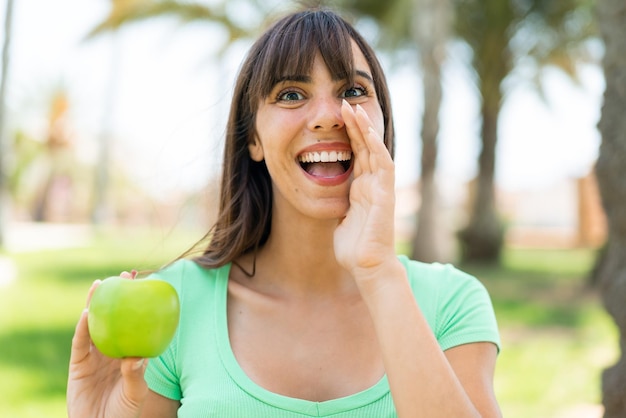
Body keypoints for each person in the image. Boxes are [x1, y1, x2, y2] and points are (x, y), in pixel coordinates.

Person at [67, 7, 501, 418]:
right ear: (253, 139)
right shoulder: (175, 306)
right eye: (291, 94)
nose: (328, 116)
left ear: (383, 122)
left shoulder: (451, 304)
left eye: (353, 91)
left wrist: (378, 271)